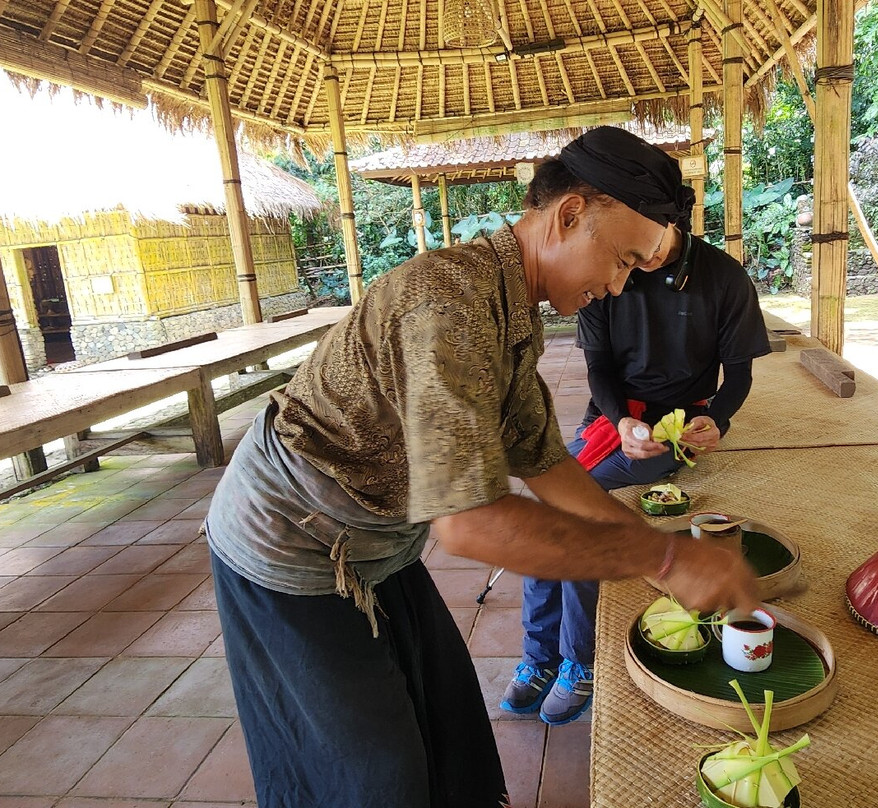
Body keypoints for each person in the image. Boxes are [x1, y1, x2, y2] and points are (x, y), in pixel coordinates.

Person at [203, 124, 759, 808]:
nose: (618, 287)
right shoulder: (450, 304)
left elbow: (546, 462)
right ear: (569, 216)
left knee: (449, 735)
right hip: (290, 543)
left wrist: (655, 556)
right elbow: (467, 527)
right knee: (375, 777)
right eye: (620, 260)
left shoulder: (510, 307)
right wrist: (667, 561)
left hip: (374, 541)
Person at [503, 204, 771, 725]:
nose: (626, 267)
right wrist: (621, 420)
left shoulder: (724, 278)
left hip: (677, 426)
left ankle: (579, 661)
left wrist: (716, 419)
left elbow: (737, 377)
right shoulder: (604, 267)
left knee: (578, 514)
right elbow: (598, 367)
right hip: (610, 418)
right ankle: (540, 656)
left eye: (640, 244)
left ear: (673, 221)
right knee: (546, 506)